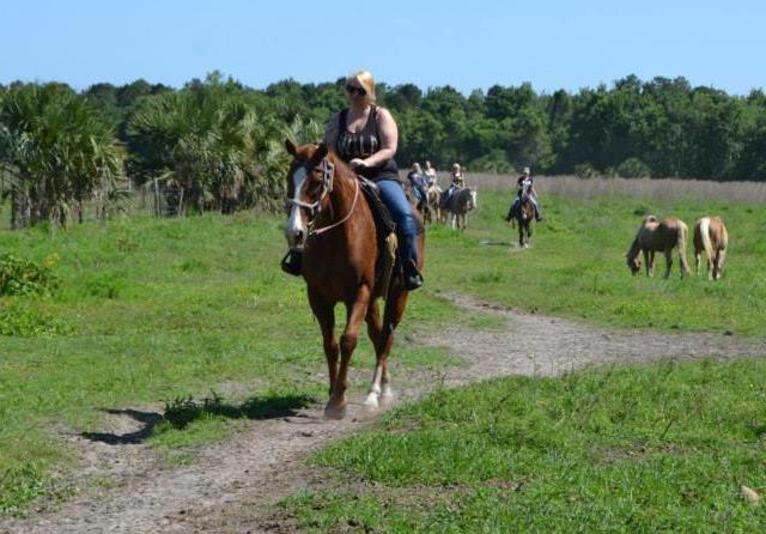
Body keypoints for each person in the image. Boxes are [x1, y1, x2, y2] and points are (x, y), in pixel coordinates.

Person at [282, 70, 424, 290]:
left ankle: (409, 267)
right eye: (350, 89)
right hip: (345, 179)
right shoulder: (338, 119)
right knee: (309, 209)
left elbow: (390, 148)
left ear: (370, 92)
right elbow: (326, 149)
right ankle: (299, 258)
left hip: (380, 176)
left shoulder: (380, 116)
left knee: (404, 214)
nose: (355, 94)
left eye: (360, 90)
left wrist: (367, 163)